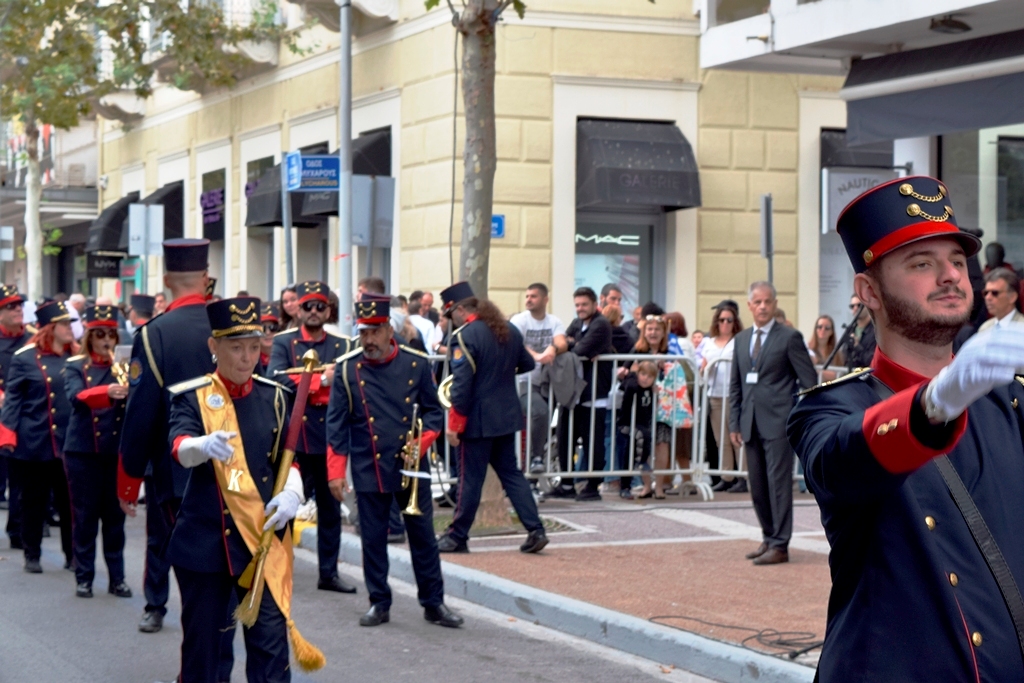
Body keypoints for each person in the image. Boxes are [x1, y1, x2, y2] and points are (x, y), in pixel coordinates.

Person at [787, 175, 1024, 682]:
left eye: (958, 261)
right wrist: (931, 405)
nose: (950, 276)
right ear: (868, 291)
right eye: (922, 263)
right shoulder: (829, 408)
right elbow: (841, 461)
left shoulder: (1011, 394)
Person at [166, 296, 304, 683]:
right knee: (205, 656)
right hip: (206, 548)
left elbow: (289, 460)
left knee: (271, 655)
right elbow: (178, 447)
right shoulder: (193, 396)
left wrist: (293, 493)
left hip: (261, 545)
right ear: (214, 347)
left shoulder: (276, 396)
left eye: (254, 346)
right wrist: (200, 446)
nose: (247, 358)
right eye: (236, 347)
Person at [325, 295, 463, 628]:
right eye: (363, 332)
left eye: (374, 332)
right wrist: (335, 472)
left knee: (423, 538)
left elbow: (432, 411)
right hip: (367, 463)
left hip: (411, 465)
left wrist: (423, 441)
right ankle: (379, 602)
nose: (368, 340)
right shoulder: (347, 368)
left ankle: (434, 603)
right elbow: (336, 423)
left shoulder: (416, 362)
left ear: (389, 331)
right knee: (372, 538)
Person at [118, 238, 217, 634]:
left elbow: (141, 413)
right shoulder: (229, 324)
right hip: (230, 460)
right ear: (206, 277)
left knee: (162, 539)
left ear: (166, 280)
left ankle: (156, 606)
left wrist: (128, 480)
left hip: (172, 463)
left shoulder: (154, 333)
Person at [435, 282, 548, 554]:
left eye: (451, 316)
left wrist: (454, 424)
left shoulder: (464, 337)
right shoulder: (508, 330)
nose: (451, 321)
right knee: (512, 476)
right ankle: (536, 530)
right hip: (505, 416)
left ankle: (457, 536)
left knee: (469, 480)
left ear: (460, 310)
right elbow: (529, 364)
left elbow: (461, 387)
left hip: (476, 421)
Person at [268, 280, 355, 594]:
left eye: (321, 306)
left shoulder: (342, 344)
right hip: (295, 438)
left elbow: (347, 383)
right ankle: (278, 567)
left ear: (329, 310)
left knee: (330, 510)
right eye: (308, 307)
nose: (315, 312)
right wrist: (321, 381)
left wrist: (310, 381)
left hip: (330, 436)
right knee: (286, 506)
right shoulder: (284, 342)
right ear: (298, 310)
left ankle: (328, 574)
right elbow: (277, 379)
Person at [728, 281, 816, 565]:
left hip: (779, 423)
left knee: (778, 485)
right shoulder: (741, 340)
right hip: (749, 422)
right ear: (750, 306)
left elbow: (809, 382)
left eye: (768, 301)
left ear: (774, 304)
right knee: (757, 485)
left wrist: (799, 417)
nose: (763, 306)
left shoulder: (789, 337)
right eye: (758, 302)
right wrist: (734, 423)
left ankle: (781, 544)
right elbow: (736, 385)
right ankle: (768, 537)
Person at [0, 300, 77, 573]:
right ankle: (32, 553)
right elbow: (13, 401)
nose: (71, 329)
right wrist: (7, 436)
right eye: (66, 324)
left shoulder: (77, 357)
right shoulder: (25, 357)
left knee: (70, 503)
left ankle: (73, 555)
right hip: (34, 440)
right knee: (33, 501)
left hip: (69, 441)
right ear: (51, 328)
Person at [63, 304, 131, 599]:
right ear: (90, 336)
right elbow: (75, 397)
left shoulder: (125, 365)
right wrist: (107, 393)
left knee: (115, 519)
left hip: (114, 451)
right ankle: (84, 575)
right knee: (85, 516)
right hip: (84, 452)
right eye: (100, 334)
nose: (106, 340)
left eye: (111, 334)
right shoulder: (76, 365)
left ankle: (117, 578)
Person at [553, 287, 614, 501]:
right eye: (577, 305)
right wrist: (571, 345)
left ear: (595, 304)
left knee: (592, 440)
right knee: (565, 436)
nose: (579, 309)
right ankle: (567, 483)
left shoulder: (601, 324)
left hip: (593, 391)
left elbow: (578, 350)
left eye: (584, 305)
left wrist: (572, 345)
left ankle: (592, 486)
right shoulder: (577, 322)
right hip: (572, 391)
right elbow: (564, 344)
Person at [624, 315, 693, 498]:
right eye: (649, 329)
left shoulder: (671, 352)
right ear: (643, 331)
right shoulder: (636, 351)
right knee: (644, 447)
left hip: (664, 409)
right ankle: (647, 484)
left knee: (663, 445)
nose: (653, 333)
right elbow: (625, 375)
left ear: (663, 333)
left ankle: (660, 486)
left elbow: (682, 376)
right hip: (642, 408)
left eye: (657, 330)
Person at [509, 283, 567, 473]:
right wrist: (535, 356)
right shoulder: (520, 320)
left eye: (533, 296)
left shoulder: (554, 321)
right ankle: (536, 458)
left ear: (545, 299)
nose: (528, 299)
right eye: (527, 296)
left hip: (545, 381)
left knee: (544, 419)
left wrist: (552, 349)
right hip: (521, 381)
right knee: (540, 412)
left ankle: (535, 470)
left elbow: (561, 342)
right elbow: (515, 342)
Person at [697, 301, 742, 493]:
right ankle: (726, 476)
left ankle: (743, 475)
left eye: (729, 320)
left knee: (737, 437)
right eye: (722, 320)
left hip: (734, 395)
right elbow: (701, 369)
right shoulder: (709, 342)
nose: (725, 323)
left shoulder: (739, 340)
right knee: (720, 439)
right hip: (715, 394)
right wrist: (708, 368)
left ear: (734, 322)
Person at [0, 284, 33, 544]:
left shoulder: (33, 338)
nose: (17, 310)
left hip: (25, 415)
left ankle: (18, 529)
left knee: (20, 476)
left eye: (20, 305)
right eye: (11, 306)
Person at [617, 360, 656, 483]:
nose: (645, 379)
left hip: (641, 426)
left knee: (632, 451)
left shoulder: (651, 390)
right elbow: (627, 386)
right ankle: (642, 461)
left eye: (650, 376)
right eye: (643, 374)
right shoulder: (632, 385)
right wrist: (633, 374)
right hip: (626, 424)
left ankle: (628, 481)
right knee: (642, 436)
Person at [977, 267, 1024, 332]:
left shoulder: (1021, 328)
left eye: (995, 293)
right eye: (985, 293)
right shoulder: (985, 329)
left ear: (1012, 297)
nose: (988, 297)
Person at [807, 314, 844, 382]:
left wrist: (817, 371)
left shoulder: (836, 352)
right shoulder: (807, 349)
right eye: (819, 327)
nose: (823, 330)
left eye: (827, 328)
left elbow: (839, 375)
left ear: (831, 332)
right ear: (815, 329)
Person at [845, 294, 876, 370]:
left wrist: (857, 346)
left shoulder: (876, 330)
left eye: (859, 305)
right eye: (852, 306)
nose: (855, 308)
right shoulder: (850, 329)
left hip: (867, 377)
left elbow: (871, 360)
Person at [258, 303, 280, 377]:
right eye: (262, 329)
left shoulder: (286, 355)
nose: (268, 332)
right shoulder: (251, 358)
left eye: (273, 327)